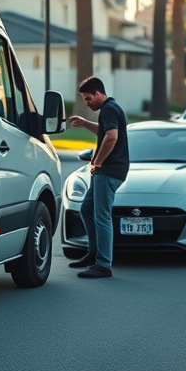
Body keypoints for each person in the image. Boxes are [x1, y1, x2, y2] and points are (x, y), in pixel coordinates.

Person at [66, 76, 129, 279]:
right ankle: (93, 254)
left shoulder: (110, 109)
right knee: (86, 209)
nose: (87, 102)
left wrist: (98, 161)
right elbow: (104, 132)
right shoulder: (110, 109)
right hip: (106, 171)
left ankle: (103, 265)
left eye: (88, 98)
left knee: (102, 216)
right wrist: (85, 123)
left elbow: (112, 137)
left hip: (108, 171)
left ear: (98, 93)